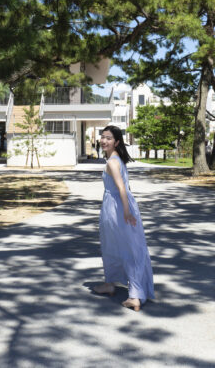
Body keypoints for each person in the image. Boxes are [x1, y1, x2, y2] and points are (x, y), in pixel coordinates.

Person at [93, 125, 154, 311]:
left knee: (123, 247)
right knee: (118, 245)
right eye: (103, 137)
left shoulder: (112, 162)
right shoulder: (117, 159)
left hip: (116, 207)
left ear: (117, 142)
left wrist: (126, 211)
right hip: (121, 204)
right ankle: (110, 283)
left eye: (109, 138)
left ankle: (134, 295)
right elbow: (126, 187)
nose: (104, 141)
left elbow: (121, 188)